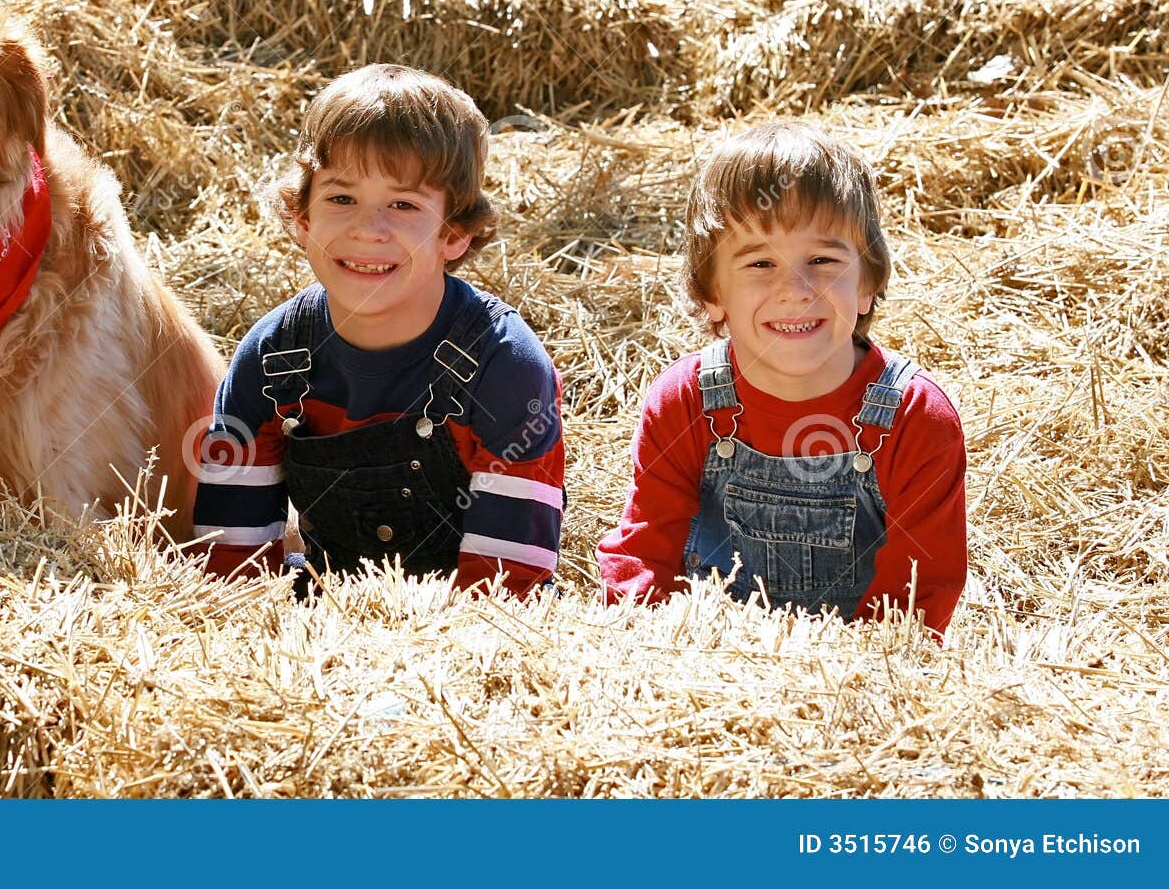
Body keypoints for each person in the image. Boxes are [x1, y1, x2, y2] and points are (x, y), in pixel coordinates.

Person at [191, 64, 564, 598]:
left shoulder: (503, 365)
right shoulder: (272, 358)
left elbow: (506, 588)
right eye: (341, 199)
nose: (368, 229)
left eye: (404, 204)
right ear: (302, 218)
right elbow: (232, 558)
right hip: (325, 608)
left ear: (455, 233)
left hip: (468, 625)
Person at [597, 120, 967, 633]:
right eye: (760, 264)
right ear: (712, 294)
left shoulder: (915, 418)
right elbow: (646, 552)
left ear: (867, 284)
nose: (796, 289)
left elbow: (919, 596)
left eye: (822, 259)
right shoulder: (685, 403)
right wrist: (643, 645)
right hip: (705, 667)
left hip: (853, 681)